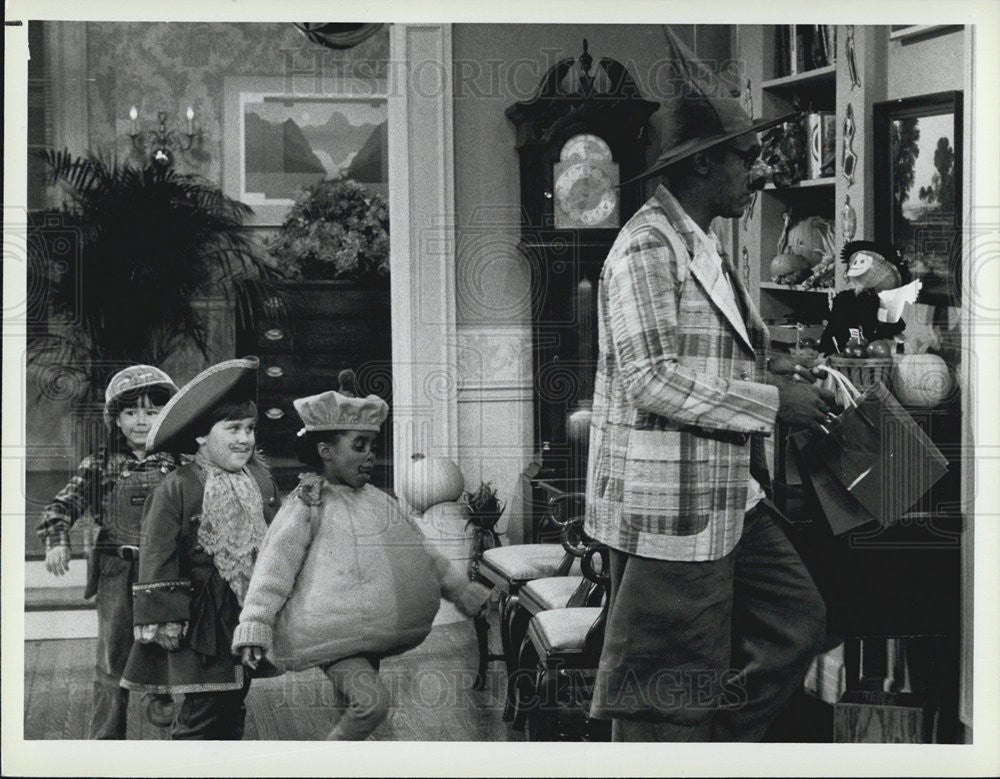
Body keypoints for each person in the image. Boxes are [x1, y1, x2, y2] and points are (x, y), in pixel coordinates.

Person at [584, 29, 833, 742]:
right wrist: (773, 403)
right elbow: (653, 379)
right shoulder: (643, 247)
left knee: (798, 623)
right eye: (745, 158)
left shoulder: (705, 243)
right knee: (664, 693)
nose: (755, 171)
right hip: (671, 504)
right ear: (700, 166)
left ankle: (712, 745)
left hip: (729, 492)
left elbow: (716, 355)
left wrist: (779, 369)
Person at [232, 371, 491, 740]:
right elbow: (274, 567)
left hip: (367, 631)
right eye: (358, 446)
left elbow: (421, 551)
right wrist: (256, 624)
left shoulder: (380, 501)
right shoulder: (308, 504)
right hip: (332, 631)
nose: (370, 456)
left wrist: (461, 590)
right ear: (326, 451)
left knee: (351, 706)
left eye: (372, 446)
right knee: (371, 704)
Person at [119, 357, 282, 740]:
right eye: (233, 429)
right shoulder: (179, 485)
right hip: (200, 621)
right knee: (200, 710)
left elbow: (277, 534)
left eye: (250, 429)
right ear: (201, 437)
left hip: (244, 613)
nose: (245, 439)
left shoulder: (258, 478)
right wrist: (164, 618)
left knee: (234, 698)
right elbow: (158, 552)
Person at [38, 364, 180, 739]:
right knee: (111, 656)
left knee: (171, 642)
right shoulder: (99, 465)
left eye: (152, 411)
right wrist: (57, 541)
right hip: (117, 570)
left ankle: (166, 704)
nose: (140, 420)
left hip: (168, 571)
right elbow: (58, 508)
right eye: (131, 412)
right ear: (115, 420)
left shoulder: (182, 465)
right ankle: (105, 740)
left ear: (167, 414)